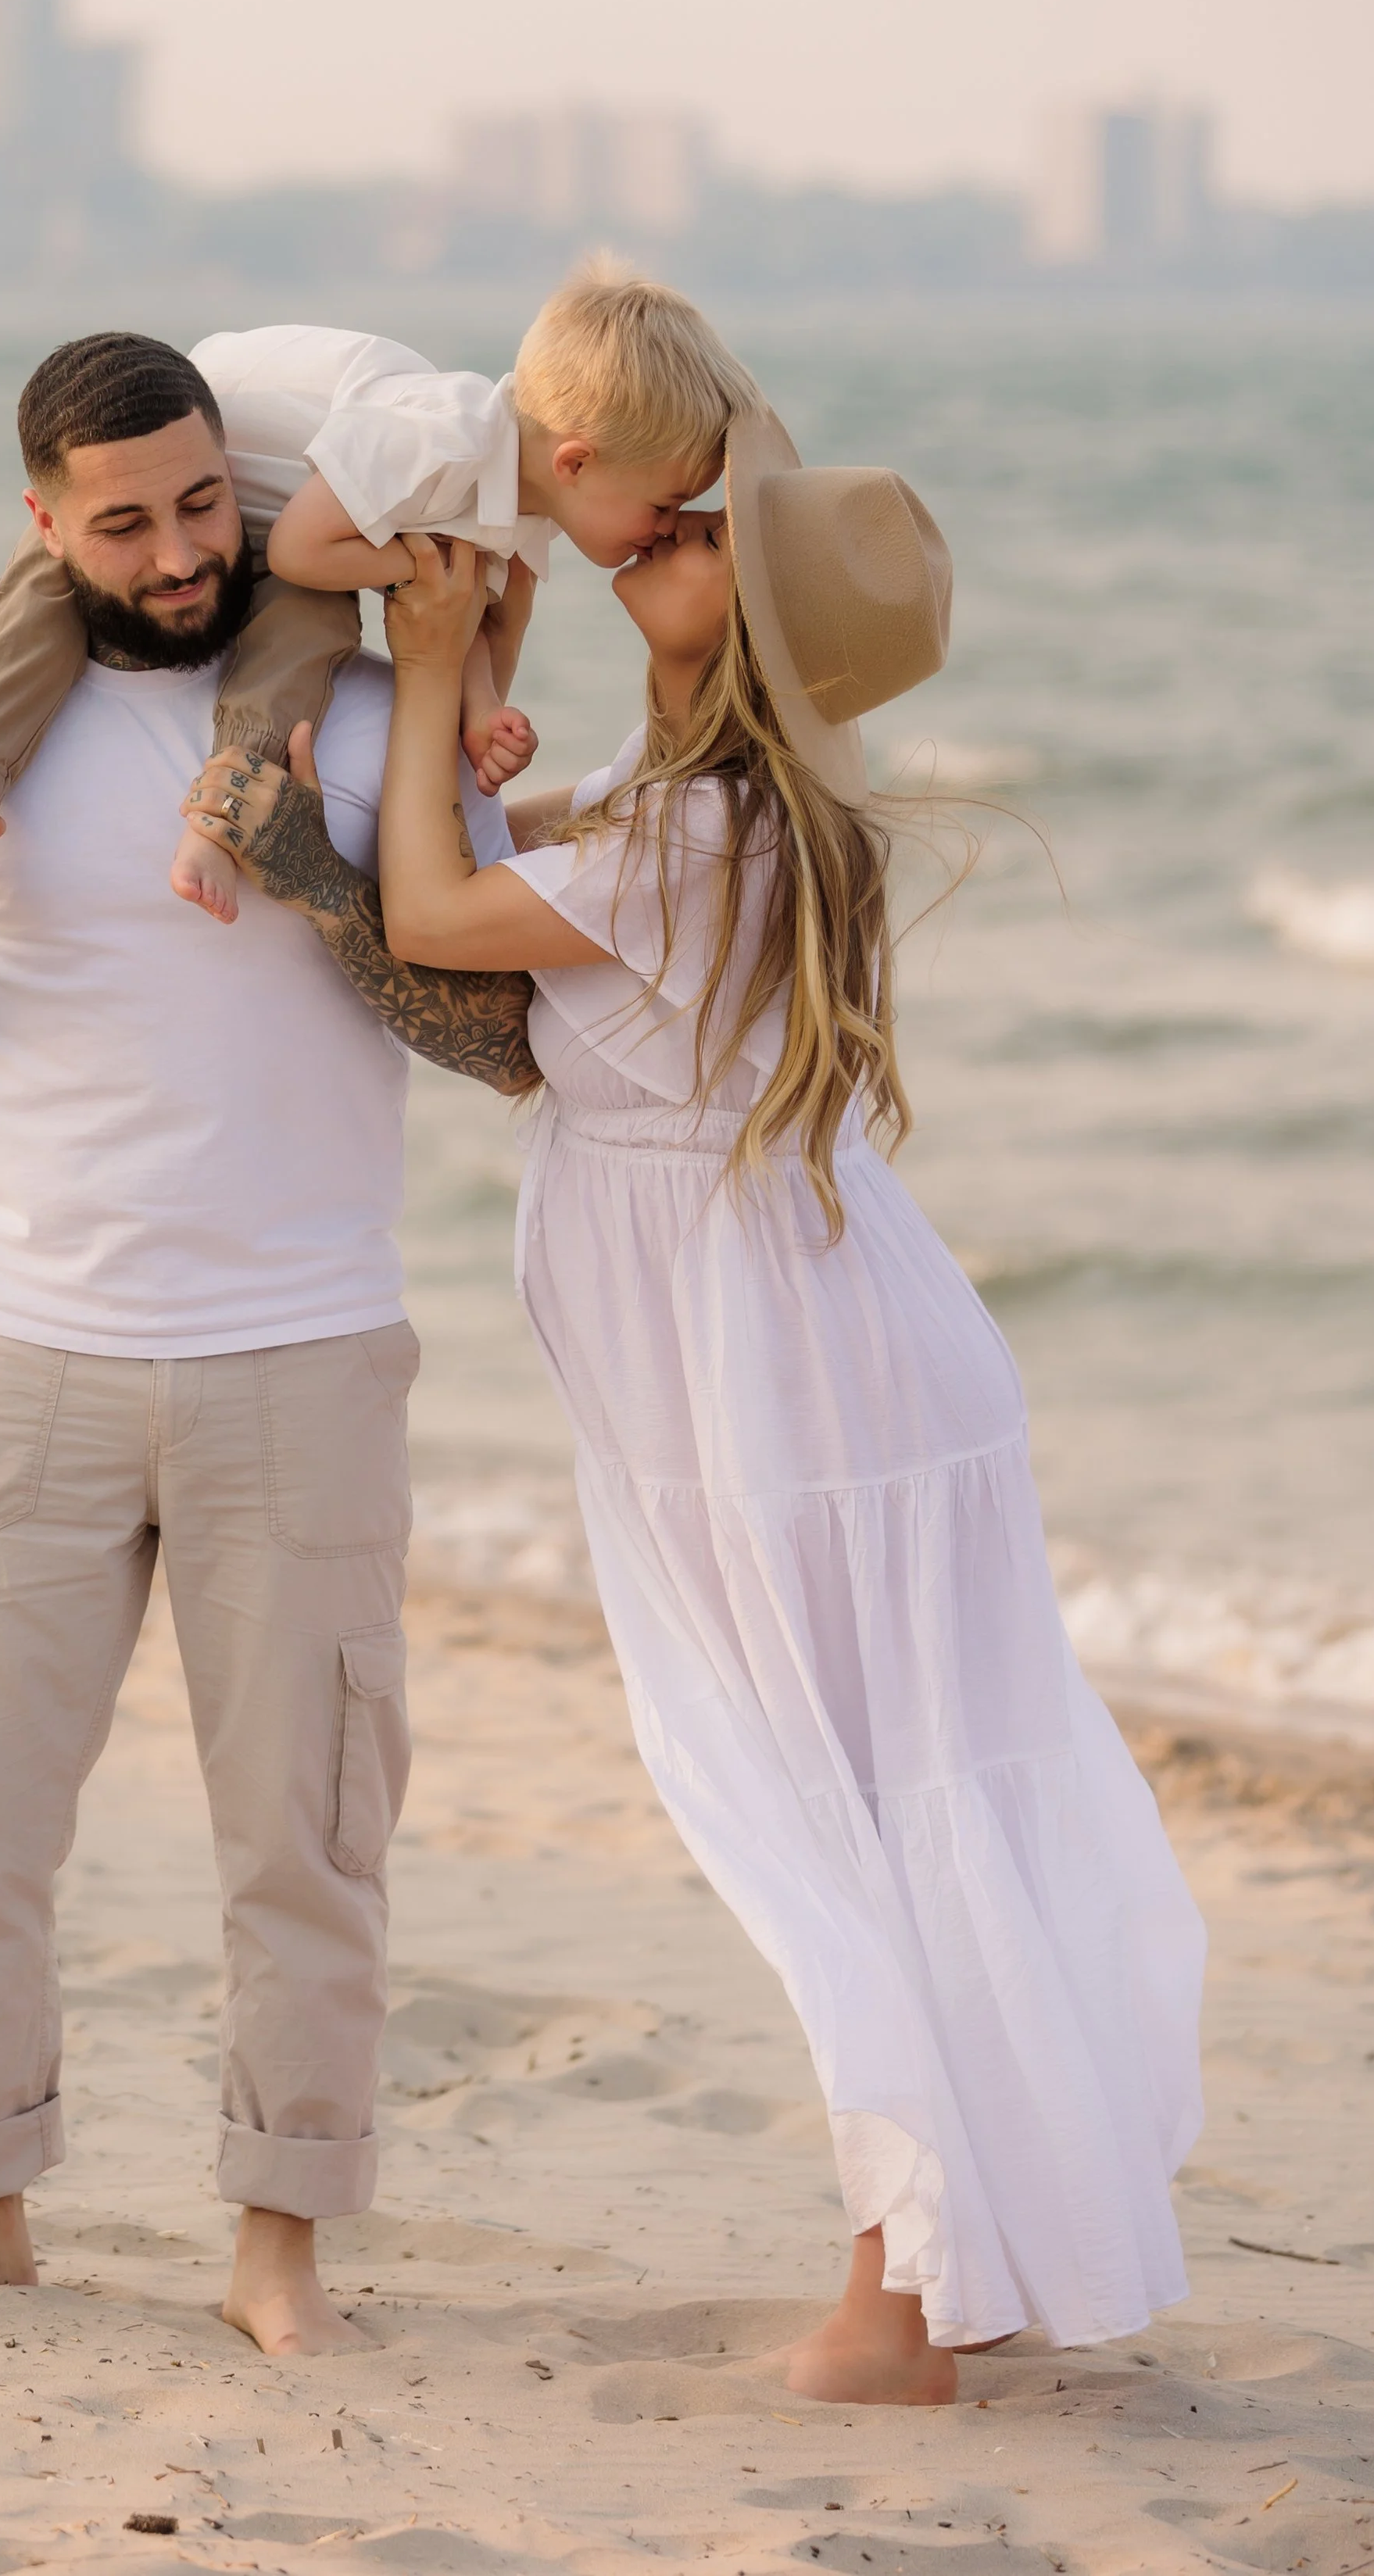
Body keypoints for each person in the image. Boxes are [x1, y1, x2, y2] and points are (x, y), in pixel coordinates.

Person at [182, 395, 1206, 2403]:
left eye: (714, 523)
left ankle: (899, 2304)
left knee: (837, 1805)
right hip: (802, 1339)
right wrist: (481, 721)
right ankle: (948, 2262)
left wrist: (444, 667)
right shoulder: (699, 810)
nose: (668, 522)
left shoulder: (706, 824)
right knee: (880, 1793)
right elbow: (496, 884)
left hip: (783, 1375)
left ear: (764, 617)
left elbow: (425, 919)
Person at [0, 331, 538, 2353]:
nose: (180, 548)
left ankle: (276, 2247)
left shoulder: (369, 718)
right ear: (42, 523)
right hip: (14, 1333)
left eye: (205, 501)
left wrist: (317, 883)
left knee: (304, 1826)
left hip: (299, 1343)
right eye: (124, 519)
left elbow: (504, 1042)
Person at [0, 266, 746, 938]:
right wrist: (412, 567)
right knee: (23, 647)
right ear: (576, 463)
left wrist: (482, 714)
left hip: (286, 520)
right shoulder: (436, 439)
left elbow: (470, 614)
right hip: (168, 486)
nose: (667, 528)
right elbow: (302, 551)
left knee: (305, 640)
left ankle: (219, 815)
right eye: (665, 505)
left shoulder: (521, 511)